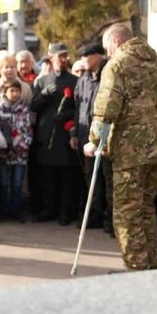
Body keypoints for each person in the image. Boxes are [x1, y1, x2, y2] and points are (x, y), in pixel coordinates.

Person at [85, 24, 157, 271]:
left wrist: (94, 141)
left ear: (115, 41)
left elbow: (105, 109)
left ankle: (136, 269)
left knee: (126, 214)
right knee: (145, 209)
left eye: (106, 48)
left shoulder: (118, 64)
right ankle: (149, 265)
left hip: (131, 150)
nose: (107, 54)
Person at [31, 43, 80, 226]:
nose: (63, 59)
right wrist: (43, 95)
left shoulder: (75, 81)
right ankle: (48, 209)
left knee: (66, 178)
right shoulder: (43, 80)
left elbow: (78, 108)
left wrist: (66, 115)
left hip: (65, 134)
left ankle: (65, 212)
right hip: (46, 134)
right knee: (47, 176)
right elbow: (33, 107)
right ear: (51, 58)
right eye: (59, 56)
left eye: (65, 56)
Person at [72, 42, 109, 231]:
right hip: (85, 137)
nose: (83, 60)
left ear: (97, 56)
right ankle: (93, 215)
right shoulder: (83, 79)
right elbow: (77, 107)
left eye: (86, 56)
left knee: (107, 178)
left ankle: (110, 219)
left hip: (104, 138)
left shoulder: (107, 75)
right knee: (90, 179)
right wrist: (74, 133)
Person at [0, 78, 33, 223]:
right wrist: (5, 147)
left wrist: (21, 146)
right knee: (4, 183)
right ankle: (3, 210)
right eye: (12, 90)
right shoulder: (0, 108)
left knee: (17, 183)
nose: (15, 94)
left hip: (20, 153)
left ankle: (16, 211)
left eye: (18, 91)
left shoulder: (24, 109)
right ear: (6, 92)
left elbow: (28, 130)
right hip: (4, 152)